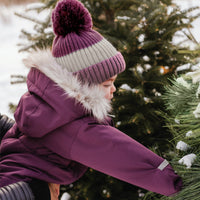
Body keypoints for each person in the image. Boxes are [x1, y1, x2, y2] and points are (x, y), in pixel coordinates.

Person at [0, 0, 182, 199]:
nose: (113, 89)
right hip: (23, 191)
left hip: (11, 178)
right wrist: (177, 180)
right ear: (80, 86)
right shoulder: (75, 126)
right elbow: (122, 155)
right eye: (106, 84)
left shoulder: (46, 103)